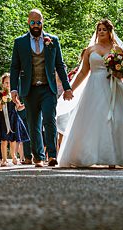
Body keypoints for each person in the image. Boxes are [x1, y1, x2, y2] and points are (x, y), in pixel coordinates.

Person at [55, 19, 123, 169]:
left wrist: (118, 73)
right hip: (94, 88)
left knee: (116, 119)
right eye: (99, 29)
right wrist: (70, 89)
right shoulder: (90, 50)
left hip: (114, 88)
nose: (101, 31)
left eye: (104, 29)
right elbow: (83, 72)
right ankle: (87, 156)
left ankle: (116, 157)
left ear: (110, 31)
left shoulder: (117, 50)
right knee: (92, 120)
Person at [9, 9, 73, 167]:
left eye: (39, 22)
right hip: (29, 89)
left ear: (42, 22)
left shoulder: (53, 40)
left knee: (50, 120)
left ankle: (52, 155)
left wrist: (67, 87)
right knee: (33, 123)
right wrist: (14, 89)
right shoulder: (20, 42)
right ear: (28, 22)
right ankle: (38, 156)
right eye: (33, 22)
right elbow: (15, 67)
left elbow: (59, 65)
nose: (36, 25)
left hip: (48, 88)